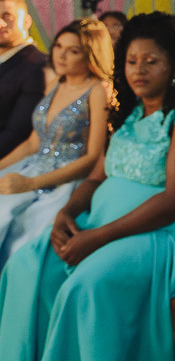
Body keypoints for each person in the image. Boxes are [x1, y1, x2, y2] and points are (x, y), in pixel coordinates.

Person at [0, 12, 175, 361]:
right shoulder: (132, 113)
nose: (138, 70)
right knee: (27, 263)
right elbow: (94, 179)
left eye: (151, 61)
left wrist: (97, 238)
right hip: (109, 223)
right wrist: (66, 213)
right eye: (131, 61)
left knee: (86, 287)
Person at [0, 18, 111, 266]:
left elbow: (93, 157)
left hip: (67, 180)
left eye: (73, 51)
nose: (61, 55)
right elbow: (33, 143)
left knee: (24, 235)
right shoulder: (55, 83)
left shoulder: (98, 90)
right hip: (33, 167)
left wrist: (31, 183)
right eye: (59, 46)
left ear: (91, 55)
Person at [0, 0, 47, 159]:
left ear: (27, 21)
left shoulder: (37, 66)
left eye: (8, 17)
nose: (0, 23)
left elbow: (18, 132)